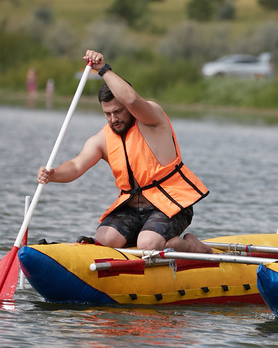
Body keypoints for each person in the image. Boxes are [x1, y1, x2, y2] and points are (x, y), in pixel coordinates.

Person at [37, 50, 212, 253]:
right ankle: (138, 242)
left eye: (118, 111)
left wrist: (102, 69)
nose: (113, 119)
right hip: (132, 207)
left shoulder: (152, 118)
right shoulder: (102, 138)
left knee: (147, 244)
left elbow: (131, 100)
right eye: (107, 114)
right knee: (105, 239)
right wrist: (53, 174)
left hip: (171, 204)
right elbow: (76, 165)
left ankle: (190, 245)